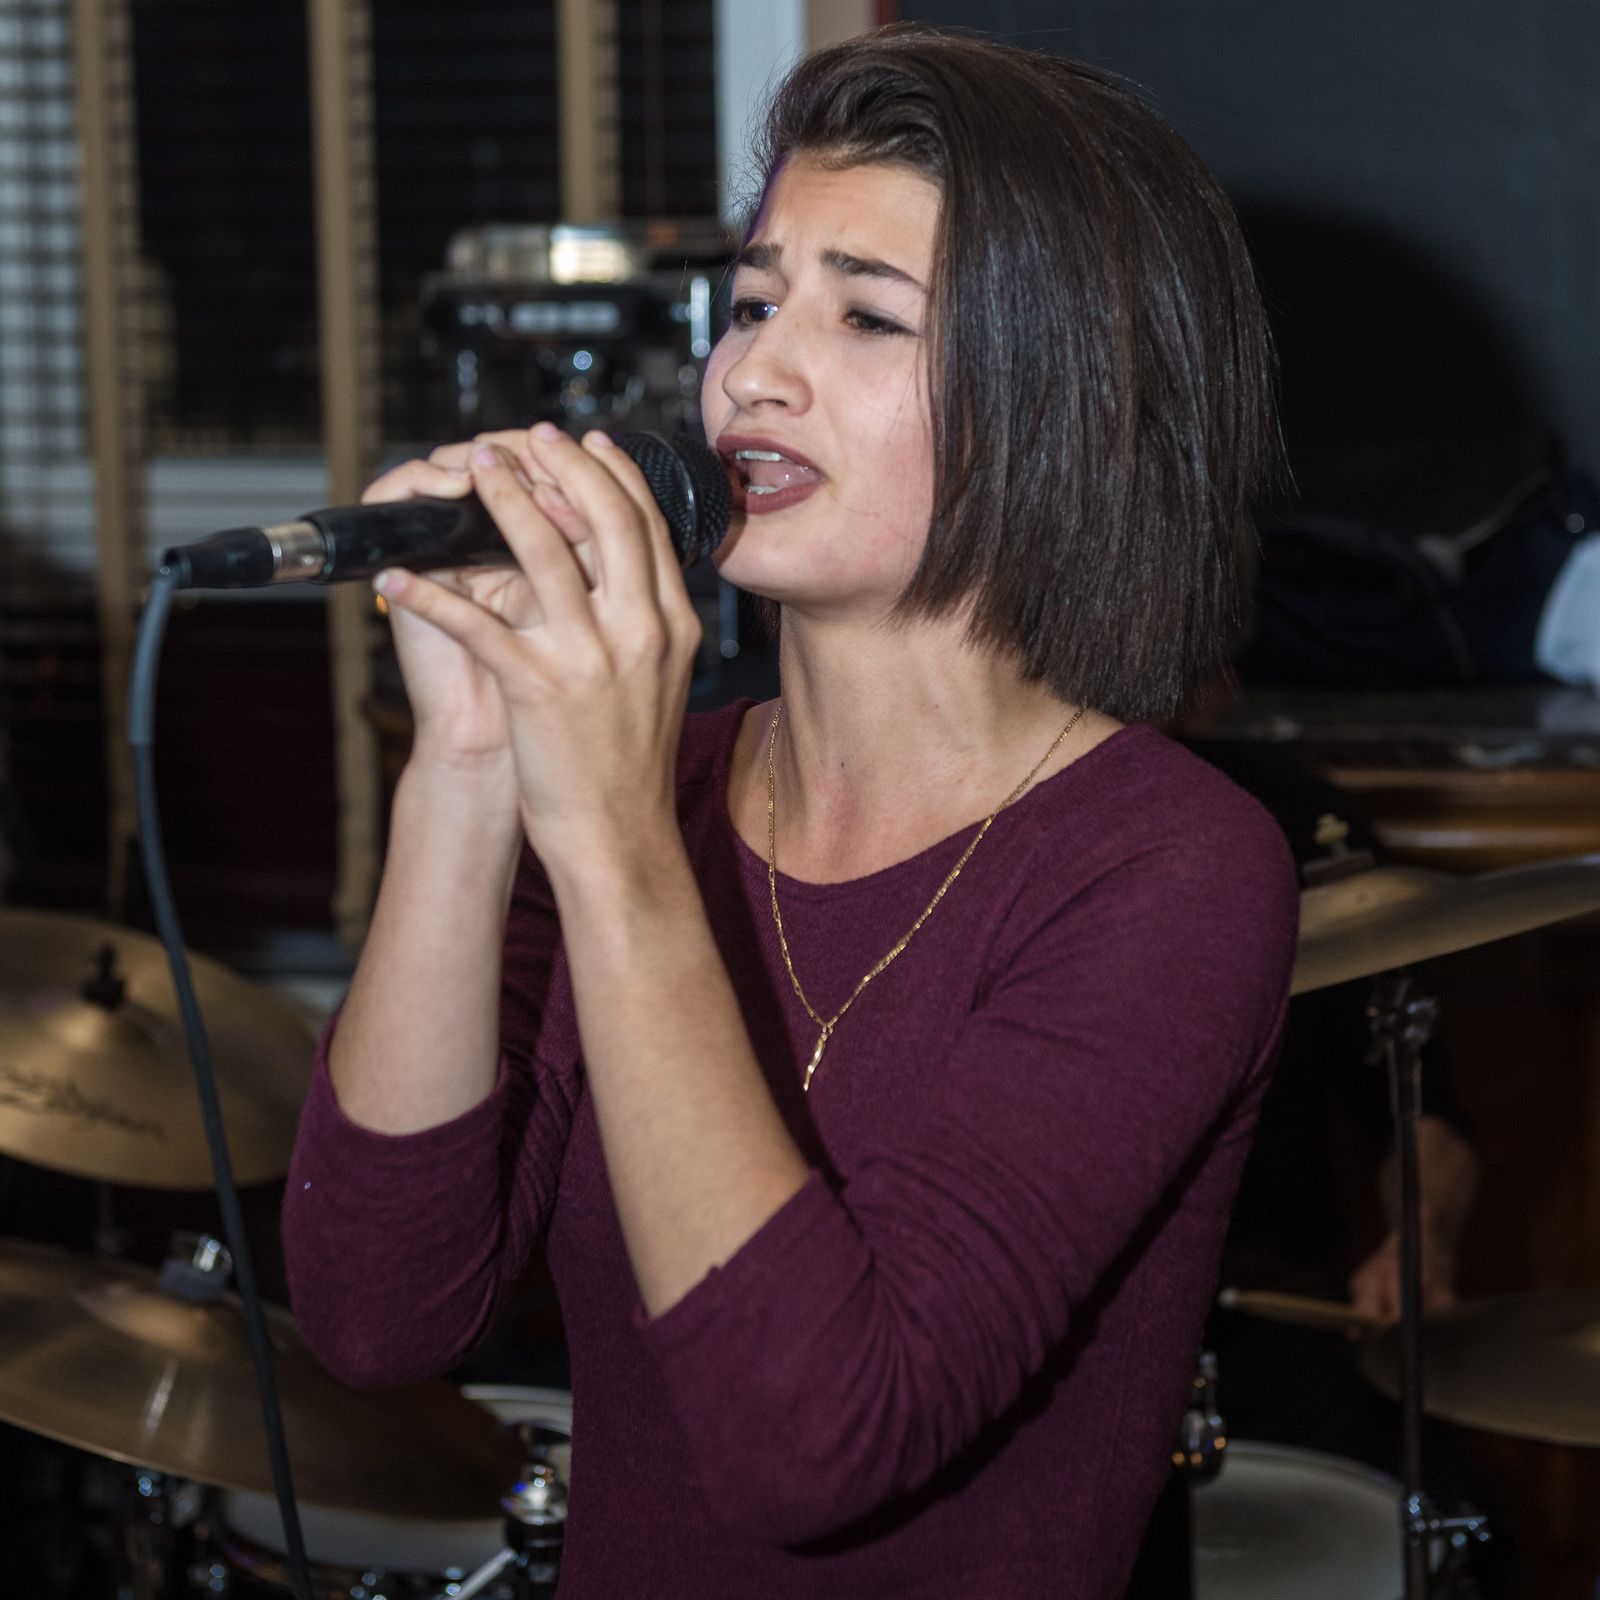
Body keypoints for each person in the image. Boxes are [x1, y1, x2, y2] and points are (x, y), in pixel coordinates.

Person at [282, 26, 1299, 1598]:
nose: (750, 373)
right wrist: (470, 767)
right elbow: (376, 1313)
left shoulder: (1172, 869)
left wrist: (612, 837)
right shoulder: (651, 794)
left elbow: (816, 1438)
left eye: (866, 315)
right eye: (754, 303)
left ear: (1058, 399)